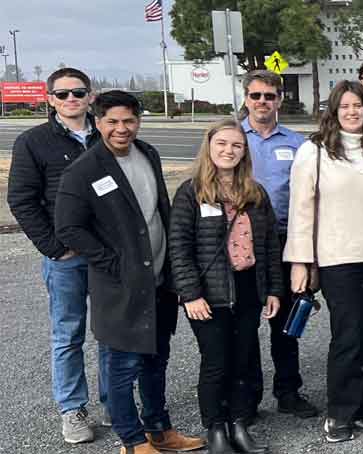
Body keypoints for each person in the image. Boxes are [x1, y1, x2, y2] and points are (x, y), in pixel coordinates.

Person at [55, 90, 207, 454]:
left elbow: (158, 210)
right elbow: (69, 229)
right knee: (121, 369)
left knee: (156, 361)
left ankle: (159, 430)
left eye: (129, 121)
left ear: (138, 121)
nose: (121, 129)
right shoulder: (85, 170)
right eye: (112, 122)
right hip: (120, 287)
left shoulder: (148, 154)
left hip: (158, 283)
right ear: (98, 122)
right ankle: (133, 440)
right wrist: (112, 264)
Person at [285, 81, 363, 443]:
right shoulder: (314, 152)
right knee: (349, 338)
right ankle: (341, 412)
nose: (352, 112)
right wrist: (300, 262)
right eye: (344, 107)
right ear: (333, 113)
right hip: (338, 259)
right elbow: (301, 210)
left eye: (358, 105)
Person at [168, 120, 284, 454]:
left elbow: (269, 247)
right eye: (221, 143)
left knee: (245, 359)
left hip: (248, 287)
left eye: (236, 145)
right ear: (209, 146)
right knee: (217, 360)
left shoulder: (255, 193)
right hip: (210, 293)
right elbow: (179, 247)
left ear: (244, 151)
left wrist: (274, 289)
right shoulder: (192, 192)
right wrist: (190, 294)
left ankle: (239, 424)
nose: (228, 151)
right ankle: (216, 428)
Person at [7, 68, 104, 444]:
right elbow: (22, 200)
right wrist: (54, 248)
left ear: (90, 96)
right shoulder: (33, 142)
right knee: (68, 333)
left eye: (78, 92)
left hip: (108, 254)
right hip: (67, 258)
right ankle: (73, 409)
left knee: (112, 332)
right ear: (50, 99)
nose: (70, 99)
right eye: (62, 95)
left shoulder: (107, 134)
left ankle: (115, 401)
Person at [239, 69, 318, 419]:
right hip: (243, 241)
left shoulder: (298, 143)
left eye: (269, 96)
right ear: (245, 99)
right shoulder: (232, 138)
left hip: (286, 240)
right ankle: (248, 396)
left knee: (286, 323)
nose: (262, 102)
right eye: (256, 96)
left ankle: (288, 390)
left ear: (279, 100)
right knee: (244, 323)